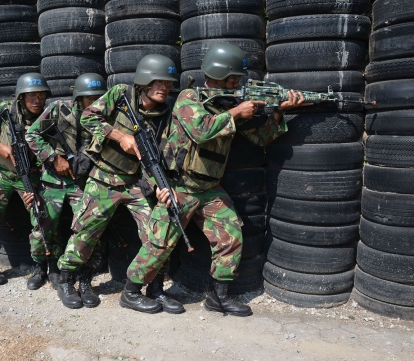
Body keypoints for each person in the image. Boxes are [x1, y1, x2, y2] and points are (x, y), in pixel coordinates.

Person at [126, 43, 311, 316]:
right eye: (233, 77)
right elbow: (200, 130)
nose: (237, 82)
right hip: (181, 186)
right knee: (160, 241)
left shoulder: (228, 103)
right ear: (217, 72)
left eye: (238, 78)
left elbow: (260, 138)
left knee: (231, 234)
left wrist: (278, 112)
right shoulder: (189, 97)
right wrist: (236, 113)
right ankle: (130, 292)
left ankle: (219, 296)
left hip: (210, 187)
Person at [56, 55, 184, 314]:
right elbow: (88, 118)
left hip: (136, 183)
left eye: (168, 84)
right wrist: (119, 136)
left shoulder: (165, 115)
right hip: (103, 177)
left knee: (157, 233)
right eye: (158, 82)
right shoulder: (120, 94)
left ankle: (154, 288)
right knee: (85, 233)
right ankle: (67, 280)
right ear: (144, 82)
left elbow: (165, 154)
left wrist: (161, 185)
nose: (164, 88)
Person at [23, 73, 107, 300]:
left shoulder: (104, 117)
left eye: (100, 98)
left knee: (89, 231)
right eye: (91, 99)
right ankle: (41, 268)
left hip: (83, 184)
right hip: (53, 182)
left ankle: (85, 279)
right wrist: (53, 158)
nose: (96, 102)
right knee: (41, 228)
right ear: (79, 98)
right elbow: (32, 136)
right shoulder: (60, 109)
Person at [0, 73, 49, 290]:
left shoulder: (47, 115)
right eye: (32, 96)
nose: (37, 100)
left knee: (40, 215)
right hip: (1, 172)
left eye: (41, 96)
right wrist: (0, 147)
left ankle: (40, 266)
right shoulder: (4, 111)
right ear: (21, 98)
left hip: (30, 175)